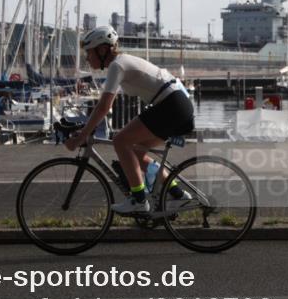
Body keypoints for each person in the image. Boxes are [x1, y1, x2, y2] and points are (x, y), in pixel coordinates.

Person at [63, 25, 194, 214]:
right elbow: (107, 106)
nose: (87, 57)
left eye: (89, 52)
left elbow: (103, 106)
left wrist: (81, 136)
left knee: (120, 141)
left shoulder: (117, 65)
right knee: (136, 151)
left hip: (171, 105)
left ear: (102, 50)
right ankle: (178, 194)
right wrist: (85, 130)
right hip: (174, 104)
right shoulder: (120, 63)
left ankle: (139, 200)